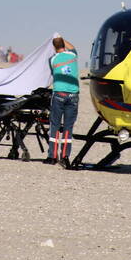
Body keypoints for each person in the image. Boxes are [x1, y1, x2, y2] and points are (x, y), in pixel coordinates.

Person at [45, 34, 79, 168]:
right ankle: (65, 156)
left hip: (59, 94)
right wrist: (62, 38)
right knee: (68, 127)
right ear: (64, 44)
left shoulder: (52, 59)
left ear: (54, 47)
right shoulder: (73, 55)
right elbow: (73, 47)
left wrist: (56, 40)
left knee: (55, 125)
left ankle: (52, 156)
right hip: (73, 95)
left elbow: (52, 73)